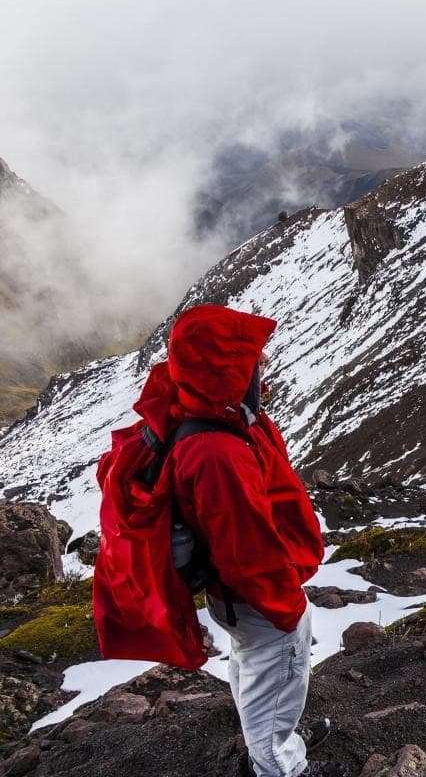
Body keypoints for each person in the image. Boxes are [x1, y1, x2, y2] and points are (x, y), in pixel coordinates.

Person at [103, 304, 340, 777]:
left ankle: (273, 740)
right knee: (274, 671)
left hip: (236, 598)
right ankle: (277, 763)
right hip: (257, 597)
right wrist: (287, 607)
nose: (264, 366)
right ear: (224, 368)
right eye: (252, 360)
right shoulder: (216, 453)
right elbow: (245, 550)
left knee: (252, 666)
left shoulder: (205, 412)